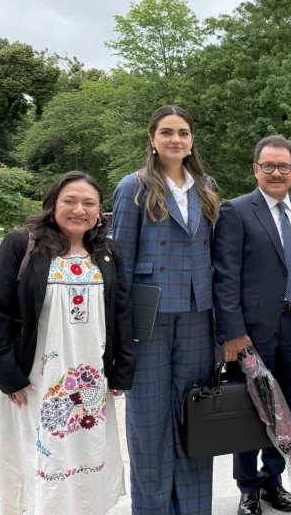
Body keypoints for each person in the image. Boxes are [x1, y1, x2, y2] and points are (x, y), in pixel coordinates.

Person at [0, 172, 136, 515]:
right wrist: (8, 377)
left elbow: (121, 313)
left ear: (99, 212)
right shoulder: (22, 245)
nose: (78, 209)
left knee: (89, 454)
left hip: (90, 381)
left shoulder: (108, 252)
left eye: (88, 203)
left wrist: (121, 371)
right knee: (45, 457)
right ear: (53, 204)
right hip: (36, 382)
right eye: (70, 200)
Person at [111, 105, 220, 515]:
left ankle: (193, 508)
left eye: (184, 132)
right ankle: (153, 509)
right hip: (149, 316)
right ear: (152, 140)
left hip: (197, 315)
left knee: (195, 417)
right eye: (167, 132)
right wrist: (118, 330)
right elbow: (118, 262)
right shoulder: (133, 187)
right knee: (149, 422)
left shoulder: (205, 185)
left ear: (192, 140)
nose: (176, 139)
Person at [212, 136, 291, 515]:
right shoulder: (235, 211)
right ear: (255, 169)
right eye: (268, 166)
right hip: (251, 331)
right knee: (251, 409)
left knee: (285, 406)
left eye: (283, 166)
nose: (276, 172)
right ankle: (247, 488)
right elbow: (224, 277)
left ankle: (274, 481)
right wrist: (232, 332)